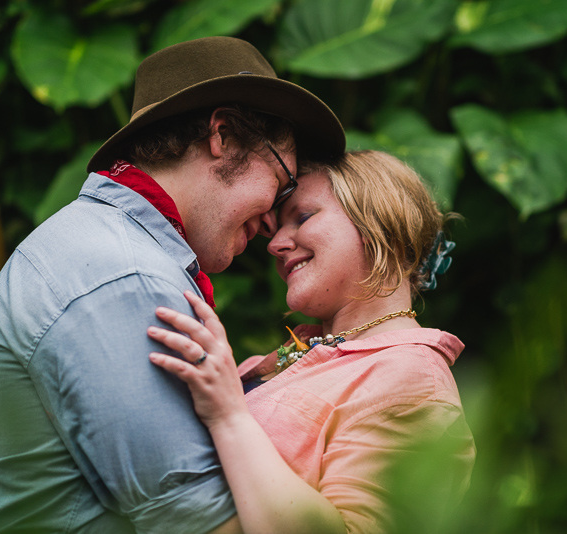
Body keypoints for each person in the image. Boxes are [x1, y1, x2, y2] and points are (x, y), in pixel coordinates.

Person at [0, 37, 343, 533]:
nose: (276, 223)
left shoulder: (111, 249)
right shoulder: (124, 277)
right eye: (284, 181)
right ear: (224, 135)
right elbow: (200, 525)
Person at [147, 150, 476, 534]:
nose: (274, 245)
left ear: (380, 224)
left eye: (303, 217)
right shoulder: (305, 350)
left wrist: (228, 416)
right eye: (275, 231)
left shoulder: (414, 380)